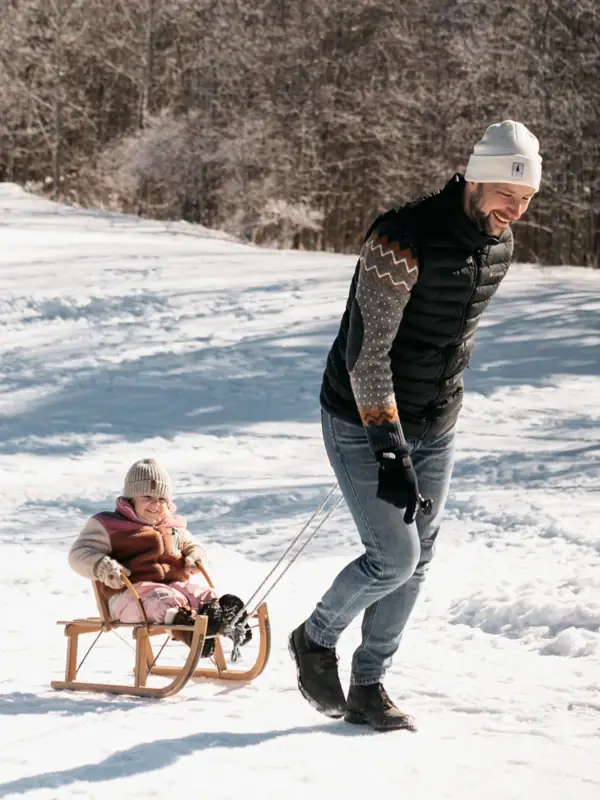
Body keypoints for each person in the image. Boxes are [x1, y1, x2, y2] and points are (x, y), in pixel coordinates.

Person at [289, 120, 542, 731]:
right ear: (477, 179)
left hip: (437, 421)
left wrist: (438, 412)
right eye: (508, 193)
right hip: (361, 415)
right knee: (393, 558)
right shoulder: (400, 238)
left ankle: (369, 685)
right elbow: (367, 352)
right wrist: (387, 448)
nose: (517, 208)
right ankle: (315, 638)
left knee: (420, 557)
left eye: (527, 198)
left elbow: (453, 338)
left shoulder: (498, 247)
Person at [68, 457, 251, 656]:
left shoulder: (173, 525)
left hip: (174, 587)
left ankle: (224, 619)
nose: (155, 504)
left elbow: (191, 544)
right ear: (131, 498)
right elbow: (79, 554)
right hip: (128, 596)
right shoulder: (109, 525)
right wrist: (104, 567)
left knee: (203, 595)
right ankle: (192, 632)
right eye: (147, 496)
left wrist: (194, 556)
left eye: (162, 499)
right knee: (164, 600)